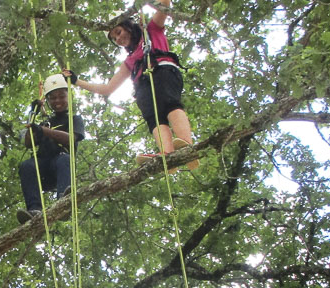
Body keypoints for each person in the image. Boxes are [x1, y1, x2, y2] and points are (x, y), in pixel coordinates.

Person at [63, 0, 198, 171]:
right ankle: (168, 154)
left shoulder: (151, 30)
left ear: (128, 25)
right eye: (114, 38)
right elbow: (107, 89)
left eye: (118, 32)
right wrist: (76, 81)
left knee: (170, 104)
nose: (118, 39)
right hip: (143, 86)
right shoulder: (129, 61)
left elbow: (165, 3)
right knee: (154, 119)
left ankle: (187, 143)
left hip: (162, 71)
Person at [16, 73, 86, 224]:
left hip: (60, 168)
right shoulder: (45, 122)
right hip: (43, 170)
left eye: (61, 96)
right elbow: (28, 143)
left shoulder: (74, 119)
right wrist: (32, 116)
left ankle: (63, 202)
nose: (57, 101)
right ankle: (34, 210)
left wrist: (43, 130)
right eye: (53, 98)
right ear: (47, 101)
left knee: (64, 159)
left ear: (69, 97)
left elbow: (70, 139)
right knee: (26, 165)